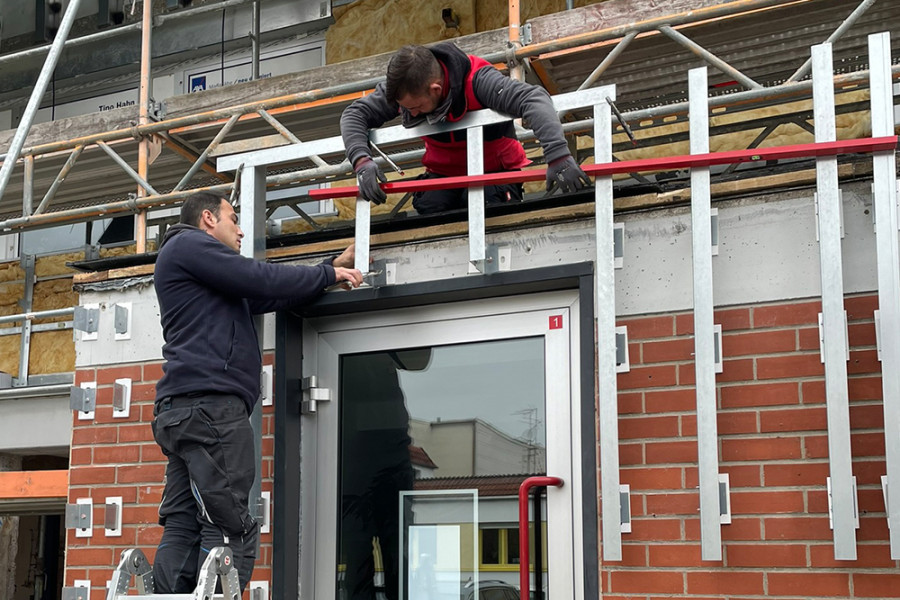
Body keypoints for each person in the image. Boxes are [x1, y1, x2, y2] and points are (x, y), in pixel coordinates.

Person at [150, 191, 363, 593]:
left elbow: (266, 293)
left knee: (184, 522)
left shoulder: (201, 271)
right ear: (208, 219)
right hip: (211, 409)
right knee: (230, 528)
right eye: (234, 219)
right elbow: (259, 277)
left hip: (184, 412)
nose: (242, 229)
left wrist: (327, 269)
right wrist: (327, 275)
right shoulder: (190, 245)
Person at [341, 42, 591, 215]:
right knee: (430, 205)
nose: (411, 114)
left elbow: (534, 99)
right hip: (443, 175)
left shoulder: (479, 80)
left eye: (416, 107)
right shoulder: (404, 91)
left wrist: (558, 155)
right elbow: (354, 114)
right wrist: (362, 162)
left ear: (435, 89)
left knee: (490, 203)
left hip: (494, 172)